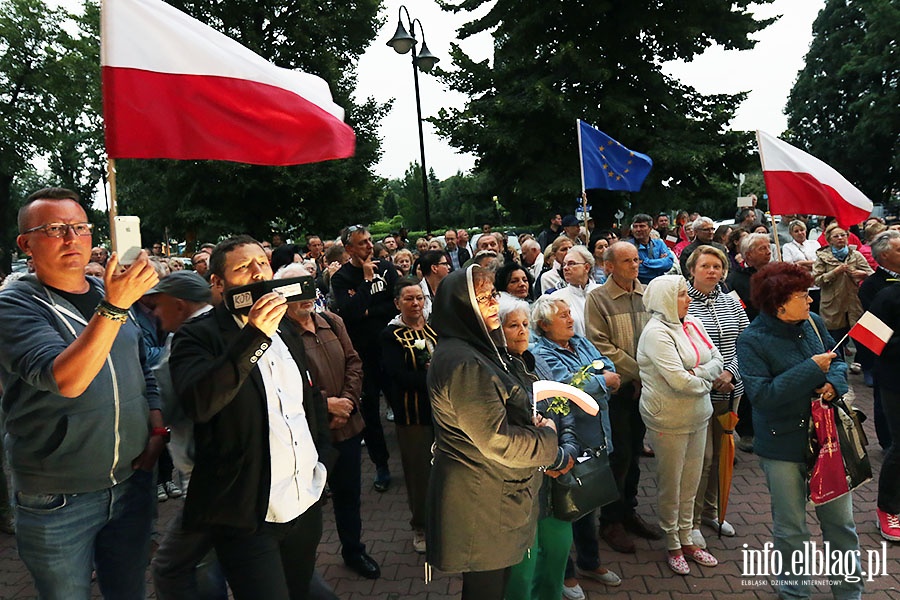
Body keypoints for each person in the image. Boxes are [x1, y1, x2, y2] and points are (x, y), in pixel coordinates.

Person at [0, 187, 162, 598]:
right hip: (57, 498)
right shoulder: (14, 304)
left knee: (128, 592)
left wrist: (156, 424)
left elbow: (143, 364)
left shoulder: (105, 291)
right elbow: (67, 380)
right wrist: (115, 306)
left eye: (79, 227)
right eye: (54, 229)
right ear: (26, 244)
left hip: (131, 482)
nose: (72, 239)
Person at [169, 235, 335, 600]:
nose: (258, 272)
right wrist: (254, 335)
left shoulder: (287, 328)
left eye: (262, 263)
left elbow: (305, 401)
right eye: (243, 268)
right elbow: (201, 403)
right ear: (218, 283)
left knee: (299, 590)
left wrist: (323, 460)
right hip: (248, 512)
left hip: (303, 502)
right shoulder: (197, 336)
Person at [427, 265, 558, 599]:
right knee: (485, 589)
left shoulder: (475, 349)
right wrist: (548, 441)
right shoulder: (463, 362)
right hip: (480, 498)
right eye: (482, 297)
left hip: (490, 492)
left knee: (493, 586)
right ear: (461, 306)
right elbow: (496, 440)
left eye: (492, 294)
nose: (491, 303)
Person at [737, 262, 864, 598]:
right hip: (782, 444)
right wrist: (811, 370)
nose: (810, 301)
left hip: (827, 440)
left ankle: (849, 592)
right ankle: (794, 592)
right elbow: (761, 396)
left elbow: (835, 360)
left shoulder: (813, 323)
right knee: (791, 528)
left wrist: (833, 385)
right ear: (779, 303)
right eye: (802, 296)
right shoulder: (752, 340)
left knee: (840, 524)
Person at [530, 295, 622, 597]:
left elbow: (606, 364)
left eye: (570, 313)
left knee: (589, 501)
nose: (571, 319)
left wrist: (596, 379)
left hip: (598, 431)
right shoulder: (540, 351)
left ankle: (590, 561)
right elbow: (564, 387)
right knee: (567, 504)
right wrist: (601, 382)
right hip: (571, 437)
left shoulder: (580, 341)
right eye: (563, 316)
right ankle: (566, 574)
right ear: (544, 325)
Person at [147, 271, 227, 600]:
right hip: (232, 468)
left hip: (211, 473)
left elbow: (169, 402)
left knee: (174, 566)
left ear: (179, 306)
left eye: (157, 305)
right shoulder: (228, 327)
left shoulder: (188, 337)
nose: (153, 313)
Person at [638, 275, 723, 575]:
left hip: (699, 414)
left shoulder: (694, 323)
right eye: (682, 295)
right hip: (668, 418)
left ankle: (688, 537)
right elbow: (678, 381)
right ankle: (672, 541)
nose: (688, 299)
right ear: (664, 299)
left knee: (692, 480)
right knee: (671, 483)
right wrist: (705, 378)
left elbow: (719, 359)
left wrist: (698, 373)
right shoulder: (655, 333)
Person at [500, 295, 581, 600]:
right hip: (521, 486)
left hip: (556, 480)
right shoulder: (494, 371)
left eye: (524, 324)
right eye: (512, 325)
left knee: (558, 555)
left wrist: (568, 449)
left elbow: (564, 409)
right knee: (523, 569)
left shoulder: (537, 361)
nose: (522, 331)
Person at [585, 242, 662, 554]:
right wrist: (639, 372)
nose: (635, 265)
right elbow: (600, 345)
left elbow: (659, 335)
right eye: (627, 260)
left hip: (645, 389)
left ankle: (629, 510)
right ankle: (610, 521)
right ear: (609, 267)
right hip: (619, 389)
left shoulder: (648, 295)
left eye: (636, 259)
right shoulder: (598, 299)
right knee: (618, 455)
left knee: (635, 454)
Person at [684, 246, 749, 547]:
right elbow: (684, 352)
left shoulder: (732, 303)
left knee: (723, 454)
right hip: (700, 392)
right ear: (692, 269)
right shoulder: (683, 303)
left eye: (717, 266)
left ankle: (713, 510)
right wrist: (714, 375)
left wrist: (731, 373)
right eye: (705, 266)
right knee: (703, 458)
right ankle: (693, 520)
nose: (712, 271)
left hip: (730, 391)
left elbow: (745, 345)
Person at [331, 225, 399, 492]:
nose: (369, 246)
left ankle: (414, 454)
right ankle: (381, 465)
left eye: (370, 241)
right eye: (362, 243)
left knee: (401, 401)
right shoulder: (342, 278)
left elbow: (395, 303)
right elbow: (349, 313)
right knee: (370, 412)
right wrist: (368, 282)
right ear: (349, 249)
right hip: (364, 354)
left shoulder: (387, 268)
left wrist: (369, 309)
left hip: (392, 349)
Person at [381, 277, 439, 554]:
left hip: (443, 413)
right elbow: (396, 375)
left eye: (419, 298)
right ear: (397, 303)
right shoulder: (391, 335)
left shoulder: (434, 328)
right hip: (413, 413)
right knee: (419, 473)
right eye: (409, 299)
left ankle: (443, 523)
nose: (415, 304)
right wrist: (431, 376)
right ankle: (421, 526)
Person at [859, 231, 900, 540]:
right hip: (895, 381)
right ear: (885, 257)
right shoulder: (884, 295)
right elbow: (870, 342)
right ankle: (888, 509)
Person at [812, 224, 873, 359]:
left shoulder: (855, 255)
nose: (840, 238)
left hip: (854, 304)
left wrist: (863, 274)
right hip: (832, 306)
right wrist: (834, 273)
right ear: (829, 239)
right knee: (835, 342)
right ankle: (839, 371)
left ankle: (866, 368)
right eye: (836, 236)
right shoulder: (822, 257)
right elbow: (816, 280)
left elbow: (872, 274)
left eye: (843, 235)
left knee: (862, 341)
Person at [549, 245, 599, 336]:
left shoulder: (602, 292)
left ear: (586, 267)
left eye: (571, 263)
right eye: (564, 264)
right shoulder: (556, 298)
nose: (565, 268)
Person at [629, 213, 674, 284]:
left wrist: (645, 262)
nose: (638, 229)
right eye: (635, 226)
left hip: (659, 285)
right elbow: (634, 270)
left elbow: (669, 263)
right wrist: (659, 263)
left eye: (642, 226)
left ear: (650, 228)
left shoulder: (659, 243)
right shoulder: (628, 247)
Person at [418, 250, 451, 319]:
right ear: (434, 268)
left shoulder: (449, 288)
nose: (449, 267)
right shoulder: (418, 293)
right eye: (445, 264)